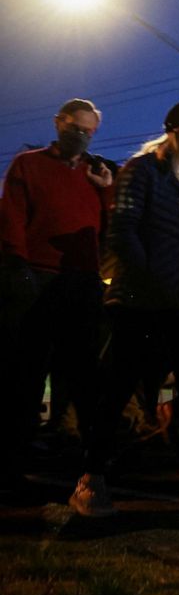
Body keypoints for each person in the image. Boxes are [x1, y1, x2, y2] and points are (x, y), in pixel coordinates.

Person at [69, 101, 179, 517]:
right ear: (178, 131)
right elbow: (124, 231)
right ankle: (90, 480)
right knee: (115, 392)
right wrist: (151, 282)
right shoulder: (143, 170)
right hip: (141, 304)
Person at [0, 98, 113, 488]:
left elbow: (108, 228)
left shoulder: (96, 175)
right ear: (59, 123)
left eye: (90, 131)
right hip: (39, 278)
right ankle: (14, 463)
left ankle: (81, 456)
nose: (82, 135)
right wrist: (18, 267)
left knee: (82, 374)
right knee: (26, 373)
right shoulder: (28, 165)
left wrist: (105, 192)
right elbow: (12, 218)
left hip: (81, 280)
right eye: (76, 127)